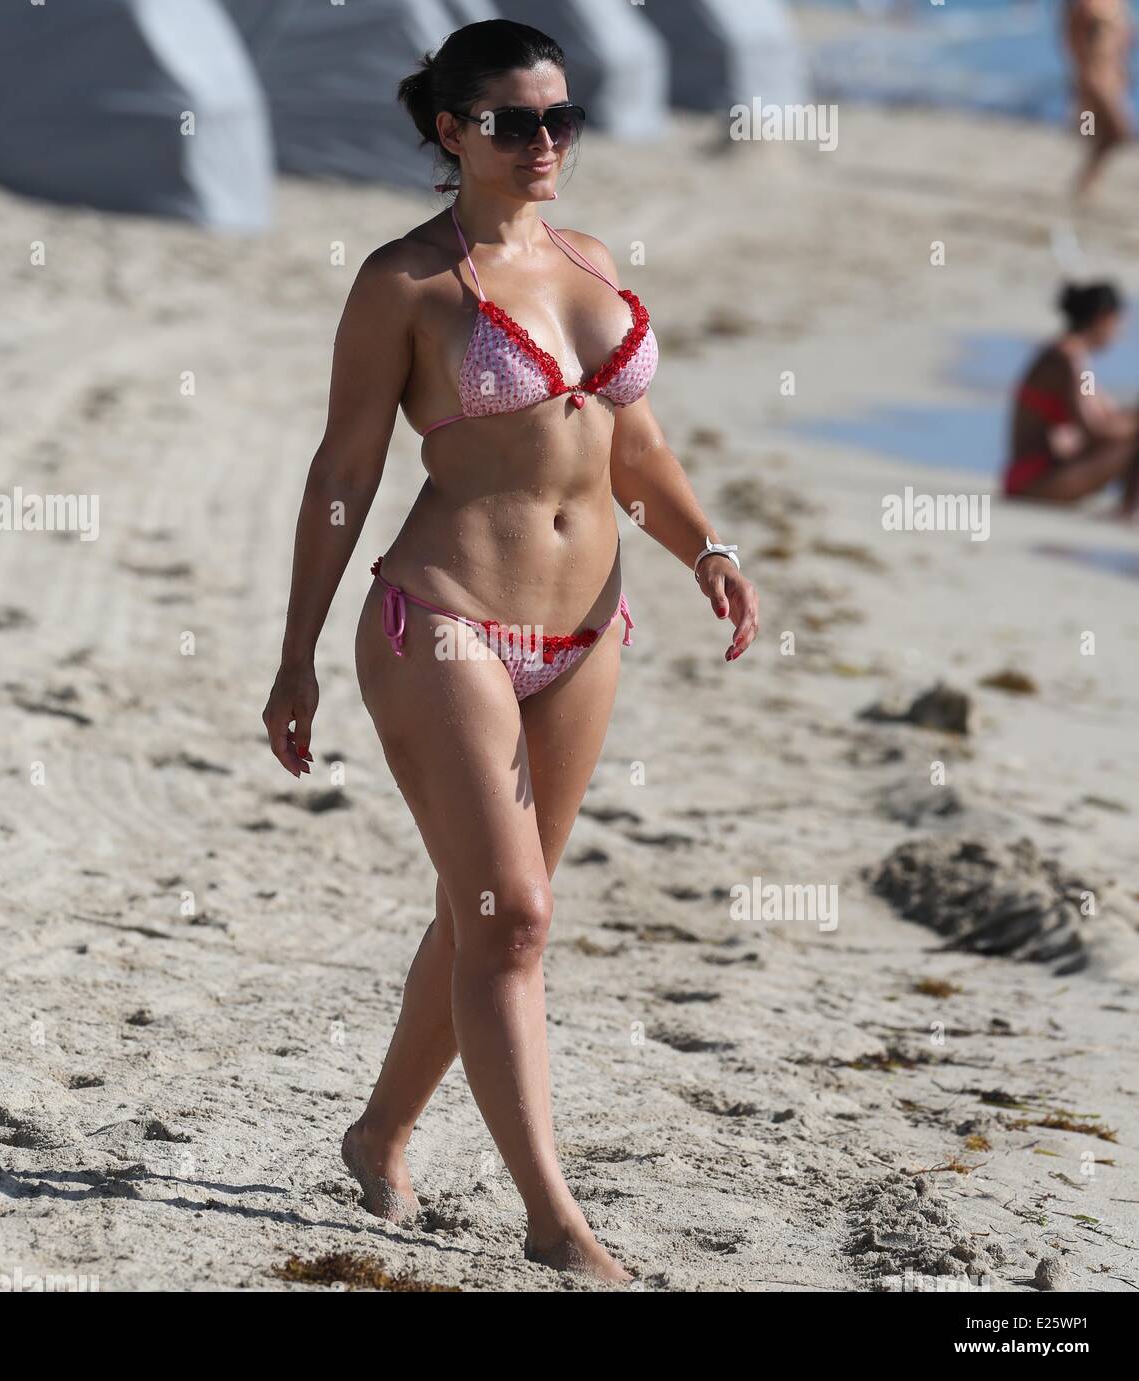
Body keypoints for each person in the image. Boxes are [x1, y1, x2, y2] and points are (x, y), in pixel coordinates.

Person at [262, 18, 759, 1281]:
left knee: (485, 912)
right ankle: (556, 1220)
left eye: (561, 119)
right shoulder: (405, 283)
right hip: (442, 617)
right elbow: (344, 472)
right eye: (515, 122)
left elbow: (631, 454)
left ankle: (379, 1129)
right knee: (518, 916)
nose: (546, 142)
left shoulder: (591, 262)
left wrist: (705, 547)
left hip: (587, 628)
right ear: (450, 131)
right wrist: (295, 652)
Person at [1004, 281, 1139, 513]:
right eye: (1118, 326)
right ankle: (1128, 514)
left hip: (1037, 473)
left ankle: (1128, 512)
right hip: (1035, 481)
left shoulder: (1069, 356)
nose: (1119, 335)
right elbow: (1093, 428)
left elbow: (1102, 417)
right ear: (1103, 319)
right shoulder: (1070, 361)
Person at [1065, 0, 1134, 201]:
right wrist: (1083, 74)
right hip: (1095, 80)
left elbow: (1118, 45)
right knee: (1113, 130)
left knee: (1106, 133)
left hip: (1109, 78)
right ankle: (1085, 179)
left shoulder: (1112, 6)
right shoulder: (1088, 8)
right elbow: (1074, 40)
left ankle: (1086, 180)